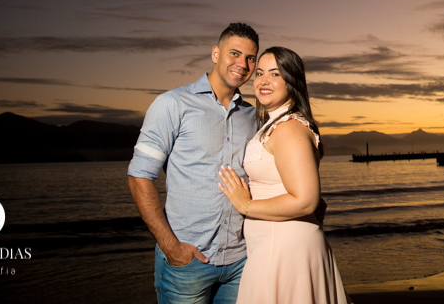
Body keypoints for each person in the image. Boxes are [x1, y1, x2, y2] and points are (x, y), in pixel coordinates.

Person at [128, 23, 260, 304]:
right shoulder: (173, 104)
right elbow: (139, 176)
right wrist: (170, 246)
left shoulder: (252, 116)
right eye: (234, 53)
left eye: (250, 58)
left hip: (241, 260)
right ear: (215, 53)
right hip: (188, 262)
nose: (242, 64)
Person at [218, 46, 349, 304]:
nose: (263, 81)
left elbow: (305, 200)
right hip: (276, 247)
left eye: (275, 73)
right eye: (260, 73)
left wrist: (245, 205)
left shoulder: (288, 128)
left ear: (292, 81)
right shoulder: (275, 124)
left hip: (284, 250)